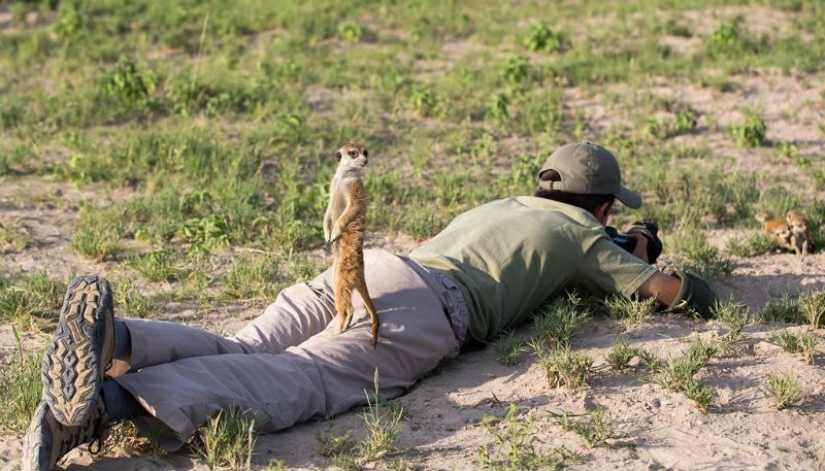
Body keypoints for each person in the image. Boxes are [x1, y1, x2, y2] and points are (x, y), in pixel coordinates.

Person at [21, 141, 717, 471]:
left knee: (242, 345)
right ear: (599, 206)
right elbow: (675, 295)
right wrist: (639, 245)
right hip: (425, 309)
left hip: (376, 265)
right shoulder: (582, 234)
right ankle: (103, 410)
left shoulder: (510, 204)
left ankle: (117, 334)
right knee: (300, 378)